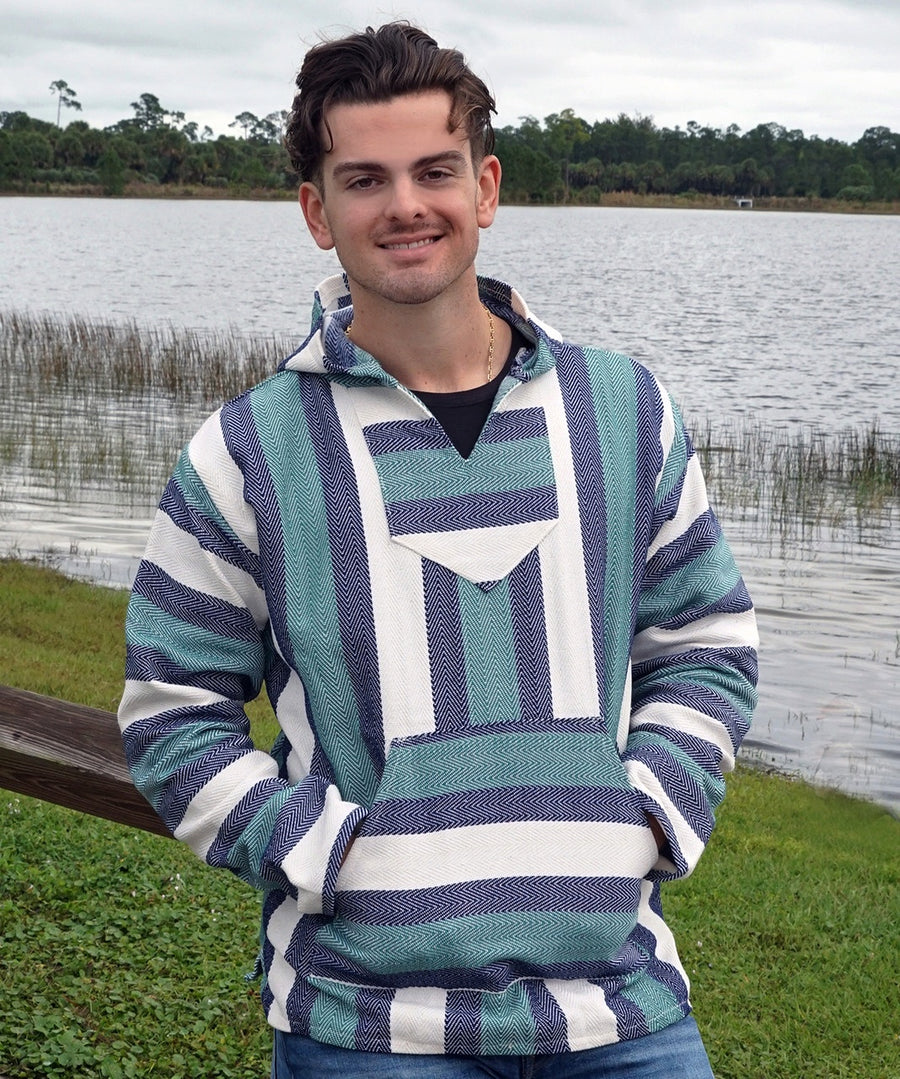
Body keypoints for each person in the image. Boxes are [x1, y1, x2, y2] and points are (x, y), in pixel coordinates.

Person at [118, 22, 758, 1078]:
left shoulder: (625, 410)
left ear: (486, 187)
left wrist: (648, 811)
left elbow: (705, 641)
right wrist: (323, 851)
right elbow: (170, 710)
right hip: (369, 1022)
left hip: (622, 1005)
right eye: (365, 179)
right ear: (318, 212)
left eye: (435, 171)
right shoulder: (247, 450)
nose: (406, 205)